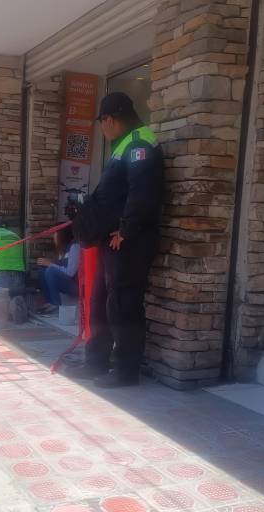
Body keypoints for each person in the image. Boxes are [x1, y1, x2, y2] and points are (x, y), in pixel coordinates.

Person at [69, 92, 162, 388]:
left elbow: (143, 191)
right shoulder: (125, 143)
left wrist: (127, 229)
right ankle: (95, 361)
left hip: (129, 243)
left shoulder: (139, 144)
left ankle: (125, 371)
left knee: (123, 305)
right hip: (111, 242)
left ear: (110, 119)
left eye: (102, 123)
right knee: (101, 302)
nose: (103, 129)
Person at [36, 227, 80, 315]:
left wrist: (50, 264)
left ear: (62, 235)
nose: (53, 236)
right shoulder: (62, 250)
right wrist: (50, 263)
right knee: (42, 270)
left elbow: (70, 273)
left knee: (50, 271)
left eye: (55, 233)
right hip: (66, 282)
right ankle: (50, 302)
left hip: (75, 286)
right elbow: (60, 267)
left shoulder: (74, 247)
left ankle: (56, 304)